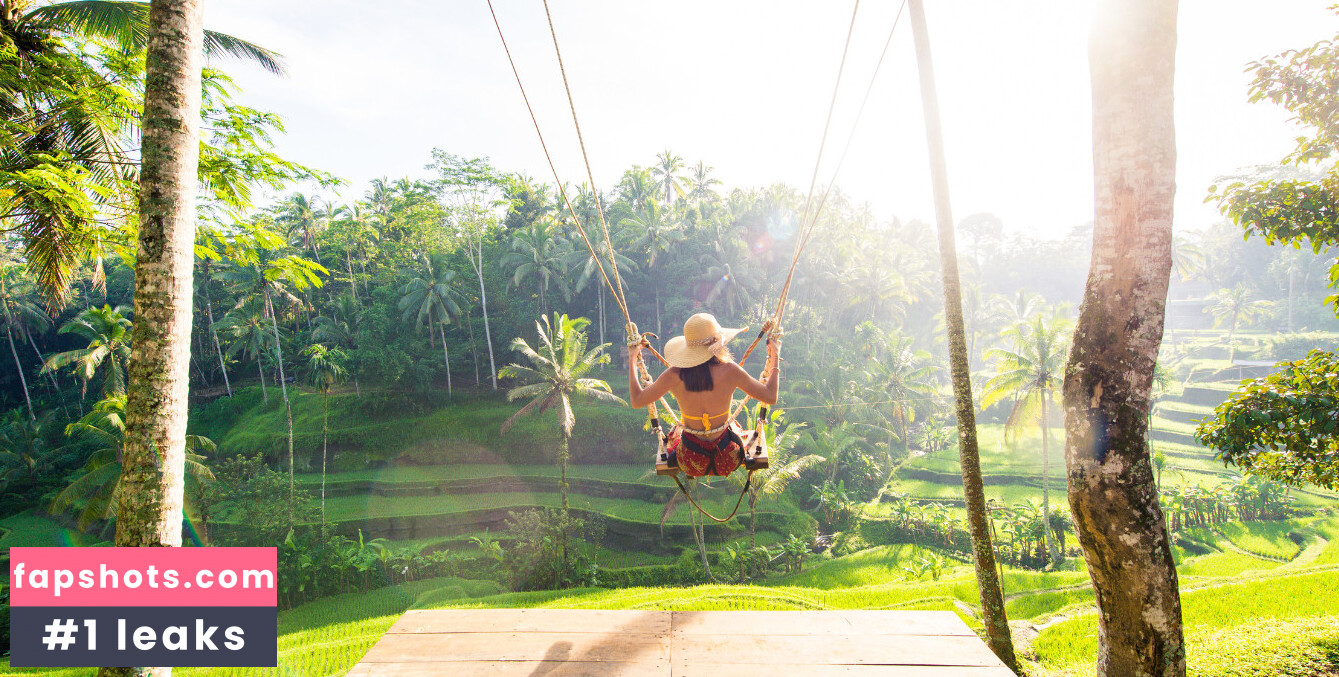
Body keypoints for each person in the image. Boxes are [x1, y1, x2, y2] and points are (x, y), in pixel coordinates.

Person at [628, 312, 780, 476]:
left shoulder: (674, 375)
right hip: (728, 459)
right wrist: (776, 355)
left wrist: (632, 360)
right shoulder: (730, 371)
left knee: (677, 432)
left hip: (690, 461)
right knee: (737, 429)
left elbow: (637, 400)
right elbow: (770, 396)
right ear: (718, 344)